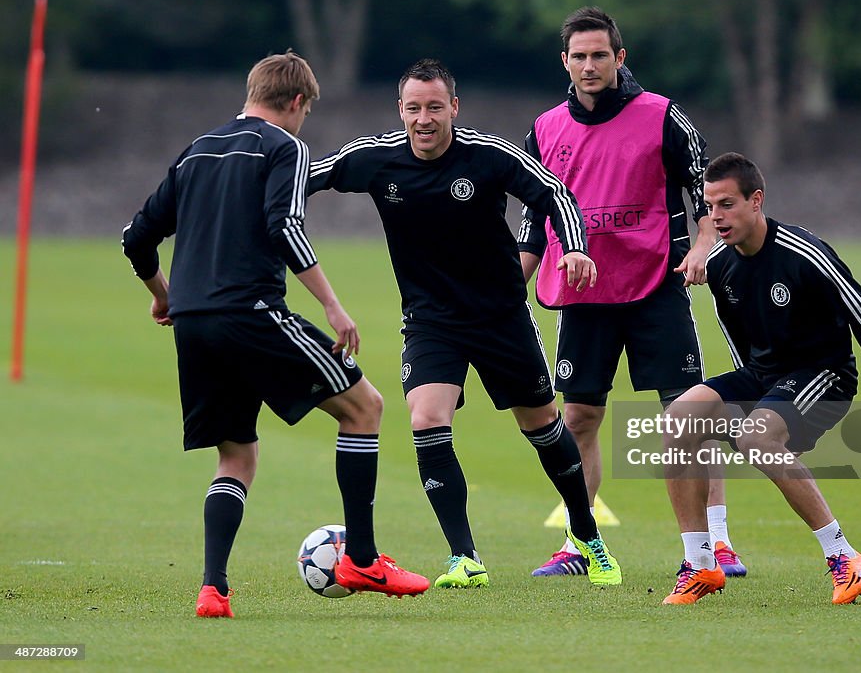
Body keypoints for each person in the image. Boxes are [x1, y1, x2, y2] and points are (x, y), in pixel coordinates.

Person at [120, 51, 430, 618]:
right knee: (364, 407)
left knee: (236, 454)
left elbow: (134, 238)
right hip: (251, 313)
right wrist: (334, 307)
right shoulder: (284, 147)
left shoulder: (196, 151)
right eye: (305, 111)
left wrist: (163, 296)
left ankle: (213, 590)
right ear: (296, 102)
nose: (303, 121)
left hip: (193, 323)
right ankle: (361, 557)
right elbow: (283, 225)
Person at [306, 58, 621, 588]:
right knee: (427, 418)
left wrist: (573, 248)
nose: (423, 118)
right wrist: (246, 199)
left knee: (542, 427)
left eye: (434, 107)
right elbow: (301, 177)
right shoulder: (374, 159)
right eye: (413, 108)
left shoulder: (488, 154)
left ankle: (588, 536)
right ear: (399, 110)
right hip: (431, 320)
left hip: (500, 316)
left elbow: (555, 195)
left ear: (454, 106)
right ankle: (465, 557)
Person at [518, 6, 746, 578]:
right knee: (578, 420)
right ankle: (580, 542)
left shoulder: (665, 119)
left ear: (620, 58)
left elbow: (708, 203)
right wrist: (508, 288)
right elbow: (533, 222)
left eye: (600, 55)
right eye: (579, 56)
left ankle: (717, 542)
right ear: (564, 62)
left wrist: (698, 251)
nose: (589, 65)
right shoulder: (545, 129)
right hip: (585, 293)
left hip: (656, 291)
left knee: (688, 419)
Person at [660, 152, 861, 605]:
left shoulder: (805, 254)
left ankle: (843, 556)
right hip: (765, 376)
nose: (715, 217)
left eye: (726, 205)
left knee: (756, 438)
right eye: (709, 206)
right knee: (679, 421)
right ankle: (700, 566)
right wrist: (756, 405)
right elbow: (743, 345)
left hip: (826, 376)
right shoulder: (720, 266)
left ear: (756, 201)